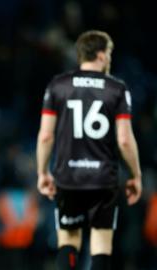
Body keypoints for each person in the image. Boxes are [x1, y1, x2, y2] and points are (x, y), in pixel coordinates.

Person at [36, 30, 142, 270]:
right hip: (103, 178)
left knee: (68, 240)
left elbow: (45, 135)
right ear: (102, 55)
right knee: (101, 244)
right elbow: (125, 139)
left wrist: (43, 172)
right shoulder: (117, 88)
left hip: (68, 176)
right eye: (110, 54)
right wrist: (136, 175)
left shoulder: (58, 85)